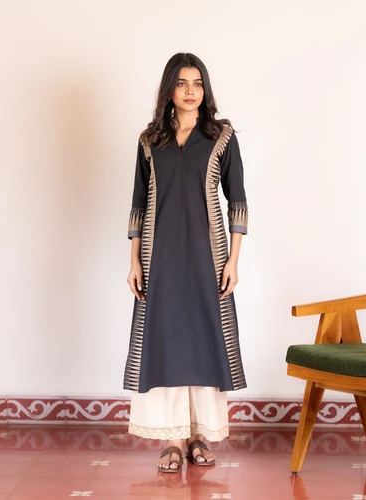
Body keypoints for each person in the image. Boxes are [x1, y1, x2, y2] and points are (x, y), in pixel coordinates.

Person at [125, 52, 248, 473]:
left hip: (207, 256)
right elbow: (138, 204)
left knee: (204, 339)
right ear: (169, 89)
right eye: (181, 83)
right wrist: (134, 262)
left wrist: (233, 260)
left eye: (197, 83)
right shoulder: (150, 141)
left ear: (205, 89)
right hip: (158, 256)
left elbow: (238, 200)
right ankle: (172, 440)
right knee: (164, 340)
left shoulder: (221, 137)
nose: (190, 91)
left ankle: (199, 436)